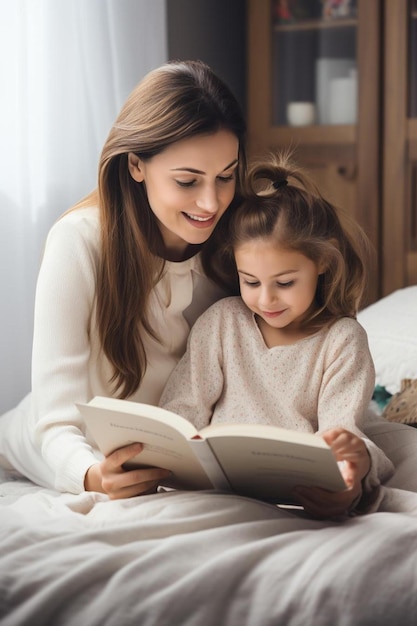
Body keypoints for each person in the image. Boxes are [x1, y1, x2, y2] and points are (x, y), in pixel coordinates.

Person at [0, 59, 247, 499]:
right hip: (58, 440)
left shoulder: (234, 244)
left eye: (225, 177)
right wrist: (91, 474)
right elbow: (55, 419)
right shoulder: (78, 242)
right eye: (188, 181)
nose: (211, 202)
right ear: (136, 165)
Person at [160, 152, 394, 518]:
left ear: (323, 264)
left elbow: (342, 435)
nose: (265, 299)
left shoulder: (342, 341)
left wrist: (350, 476)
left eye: (284, 283)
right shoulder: (222, 322)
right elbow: (182, 408)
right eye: (250, 281)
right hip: (214, 494)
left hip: (297, 496)